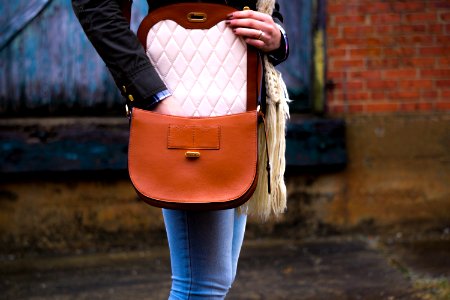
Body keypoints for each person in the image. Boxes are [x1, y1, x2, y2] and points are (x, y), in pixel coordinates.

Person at [71, 0, 289, 298]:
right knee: (202, 284)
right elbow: (95, 5)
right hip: (183, 101)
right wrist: (154, 95)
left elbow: (265, 8)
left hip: (239, 105)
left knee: (216, 278)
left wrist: (276, 36)